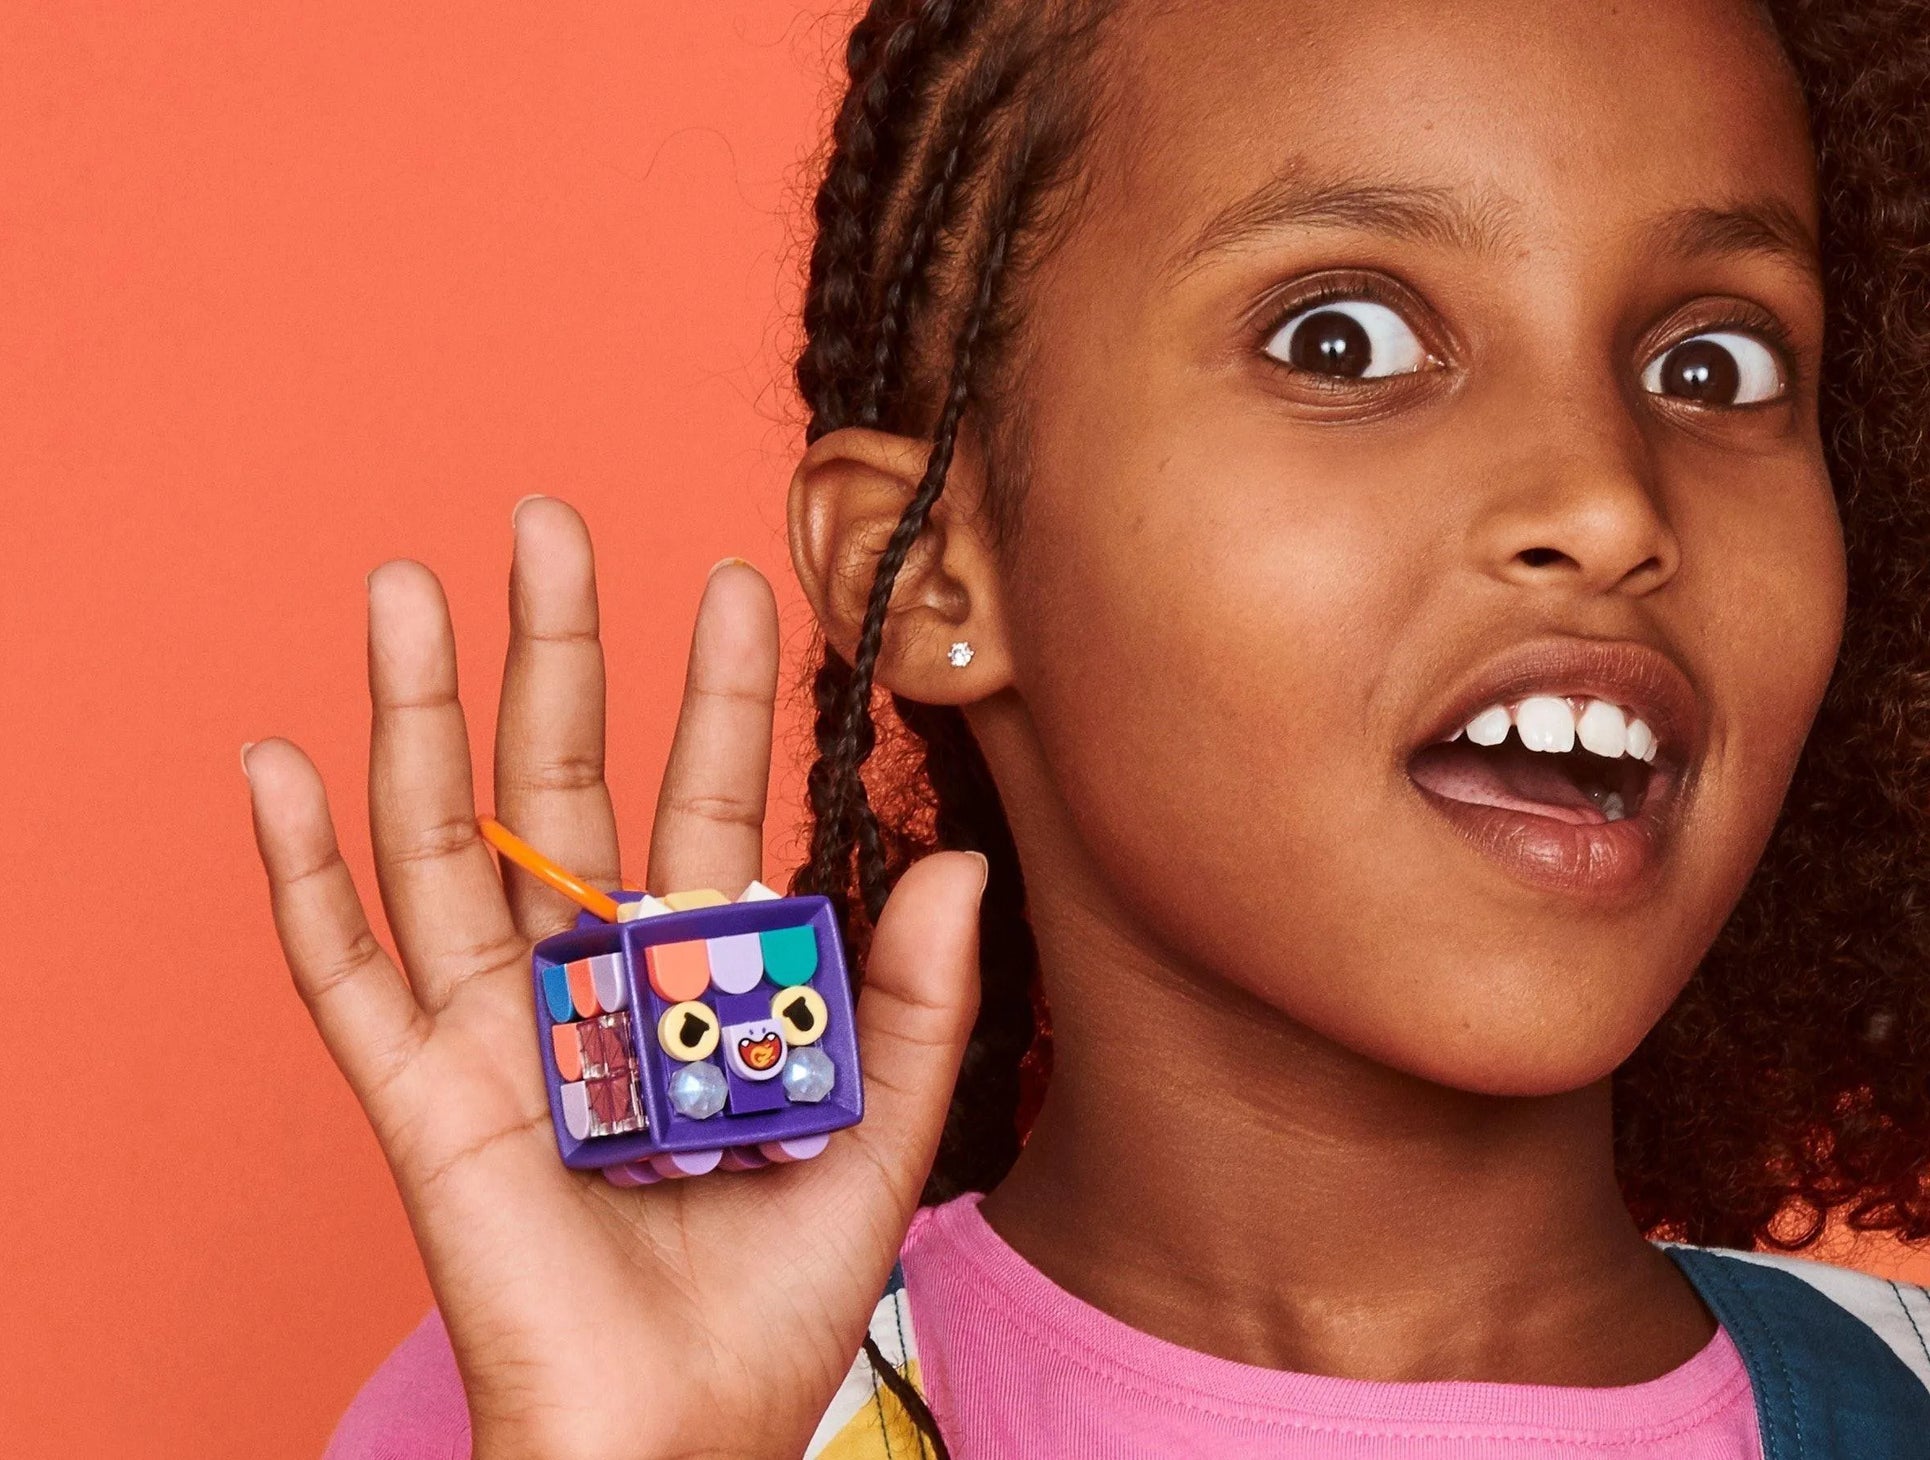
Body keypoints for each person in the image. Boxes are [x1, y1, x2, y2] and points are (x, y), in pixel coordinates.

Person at [243, 0, 1930, 1454]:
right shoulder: (597, 1391)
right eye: (1340, 338)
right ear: (930, 570)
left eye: (1714, 366)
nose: (1604, 500)